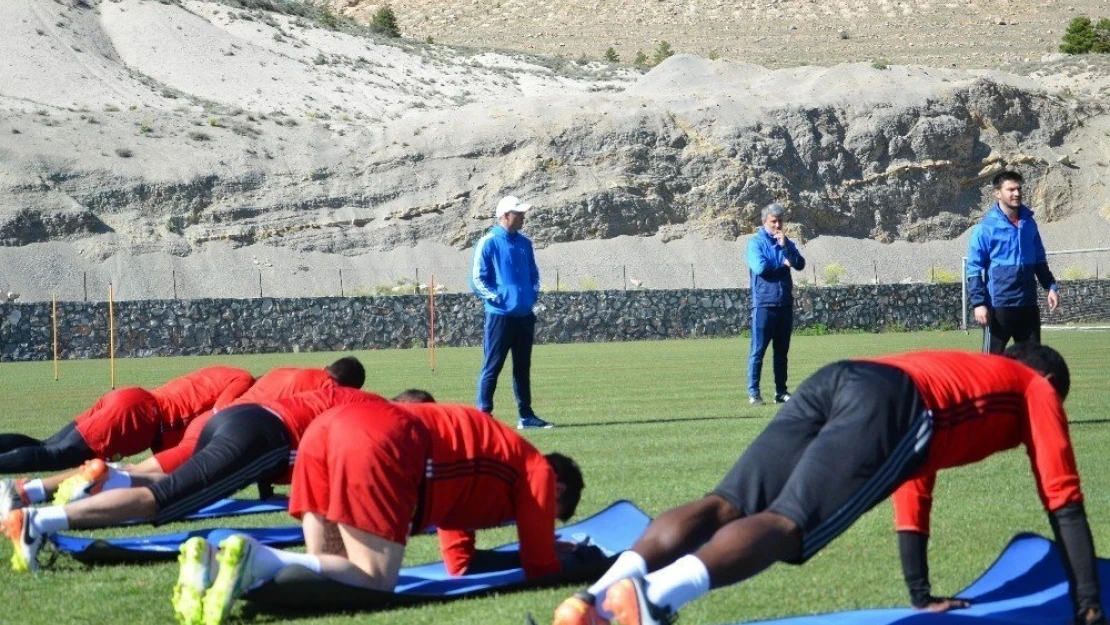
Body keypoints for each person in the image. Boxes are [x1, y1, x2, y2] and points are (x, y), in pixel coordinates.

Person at [552, 344, 1105, 625]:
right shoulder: (1036, 388)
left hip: (844, 375)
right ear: (1051, 383)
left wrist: (920, 595)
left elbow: (914, 475)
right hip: (892, 404)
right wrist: (1088, 604)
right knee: (787, 523)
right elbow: (1064, 499)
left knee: (727, 503)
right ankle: (652, 598)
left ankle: (595, 597)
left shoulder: (968, 371)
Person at [171, 399, 585, 625]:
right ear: (558, 489)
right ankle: (254, 555)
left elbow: (459, 564)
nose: (536, 518)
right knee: (374, 580)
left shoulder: (488, 473)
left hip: (328, 429)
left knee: (330, 570)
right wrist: (576, 558)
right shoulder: (537, 471)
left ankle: (213, 566)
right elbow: (541, 566)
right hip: (382, 438)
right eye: (550, 512)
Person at [2, 385, 381, 573]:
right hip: (263, 436)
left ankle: (42, 492)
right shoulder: (380, 420)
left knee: (153, 479)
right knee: (163, 497)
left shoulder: (346, 395)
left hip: (233, 419)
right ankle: (39, 521)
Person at [0, 357, 365, 510]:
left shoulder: (280, 372)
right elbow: (228, 412)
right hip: (152, 417)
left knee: (46, 445)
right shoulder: (316, 388)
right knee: (146, 482)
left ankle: (31, 489)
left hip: (133, 399)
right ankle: (31, 493)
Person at [0, 365, 254, 477]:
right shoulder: (245, 382)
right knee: (60, 455)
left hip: (130, 399)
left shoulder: (229, 371)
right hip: (140, 416)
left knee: (45, 446)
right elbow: (218, 417)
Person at [471, 195, 553, 429]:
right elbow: (477, 279)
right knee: (492, 366)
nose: (523, 217)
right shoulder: (488, 242)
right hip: (500, 316)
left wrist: (530, 297)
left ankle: (526, 416)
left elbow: (533, 275)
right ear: (505, 216)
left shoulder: (525, 243)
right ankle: (484, 416)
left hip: (524, 316)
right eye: (519, 214)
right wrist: (500, 299)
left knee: (522, 368)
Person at [967, 170, 1059, 354]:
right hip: (999, 306)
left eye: (1019, 189)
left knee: (1033, 362)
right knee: (990, 364)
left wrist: (1050, 287)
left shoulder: (1029, 224)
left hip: (1027, 304)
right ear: (997, 193)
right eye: (1010, 189)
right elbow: (974, 270)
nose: (1016, 193)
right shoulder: (985, 228)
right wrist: (979, 303)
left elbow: (1039, 261)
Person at [746, 202, 805, 405]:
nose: (778, 225)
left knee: (781, 352)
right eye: (774, 221)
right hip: (764, 304)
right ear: (764, 222)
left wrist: (786, 248)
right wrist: (783, 266)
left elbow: (800, 264)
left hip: (784, 304)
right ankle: (754, 393)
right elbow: (761, 268)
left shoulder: (786, 243)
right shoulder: (755, 244)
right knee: (758, 350)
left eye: (780, 221)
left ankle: (781, 391)